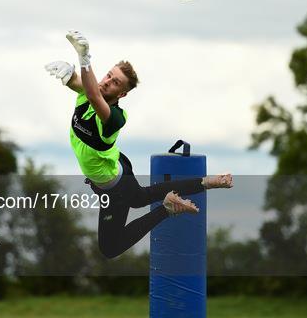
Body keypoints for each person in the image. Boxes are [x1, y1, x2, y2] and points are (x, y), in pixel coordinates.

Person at [45, 30, 233, 259]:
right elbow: (83, 85)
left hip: (114, 184)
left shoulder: (114, 118)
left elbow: (94, 95)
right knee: (140, 198)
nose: (107, 82)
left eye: (115, 83)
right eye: (108, 76)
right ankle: (203, 184)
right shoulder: (88, 93)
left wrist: (84, 59)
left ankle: (172, 205)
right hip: (117, 163)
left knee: (111, 246)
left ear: (122, 94)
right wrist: (69, 73)